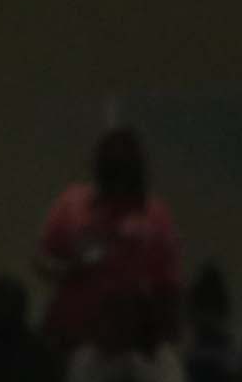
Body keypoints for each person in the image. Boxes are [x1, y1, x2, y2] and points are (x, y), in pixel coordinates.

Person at [35, 127, 182, 352]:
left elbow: (168, 285)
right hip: (73, 332)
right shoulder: (72, 205)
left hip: (132, 341)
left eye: (125, 175)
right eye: (112, 175)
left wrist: (166, 335)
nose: (119, 187)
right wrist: (68, 270)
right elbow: (42, 259)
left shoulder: (155, 215)